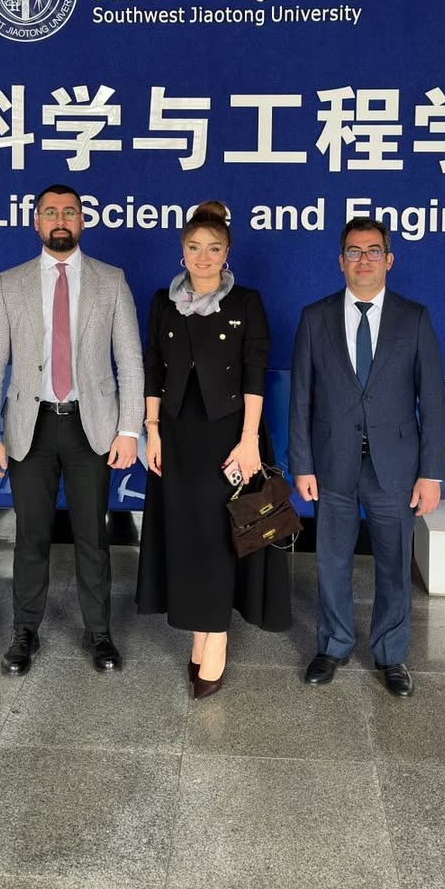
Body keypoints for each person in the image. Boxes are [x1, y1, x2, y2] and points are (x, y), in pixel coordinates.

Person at [0, 184, 143, 675]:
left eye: (69, 212)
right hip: (31, 427)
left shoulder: (111, 280)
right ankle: (25, 631)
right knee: (31, 536)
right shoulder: (10, 283)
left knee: (93, 536)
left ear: (82, 221)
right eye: (51, 212)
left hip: (93, 426)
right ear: (37, 222)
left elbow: (130, 361)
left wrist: (128, 429)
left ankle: (99, 632)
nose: (60, 219)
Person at [137, 200, 291, 699]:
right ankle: (199, 631)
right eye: (194, 247)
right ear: (181, 251)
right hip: (177, 434)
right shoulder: (163, 302)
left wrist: (249, 440)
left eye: (214, 248)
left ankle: (216, 635)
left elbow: (254, 374)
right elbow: (153, 366)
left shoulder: (245, 301)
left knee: (219, 534)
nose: (203, 257)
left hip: (229, 435)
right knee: (187, 534)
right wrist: (152, 430)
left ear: (227, 253)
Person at [289, 216, 445, 698]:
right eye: (354, 252)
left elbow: (431, 400)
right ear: (340, 261)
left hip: (395, 467)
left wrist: (431, 473)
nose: (364, 260)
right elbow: (301, 398)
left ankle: (391, 654)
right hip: (332, 463)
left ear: (389, 260)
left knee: (394, 564)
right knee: (331, 562)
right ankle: (333, 645)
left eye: (373, 251)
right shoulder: (314, 317)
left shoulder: (413, 318)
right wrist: (302, 464)